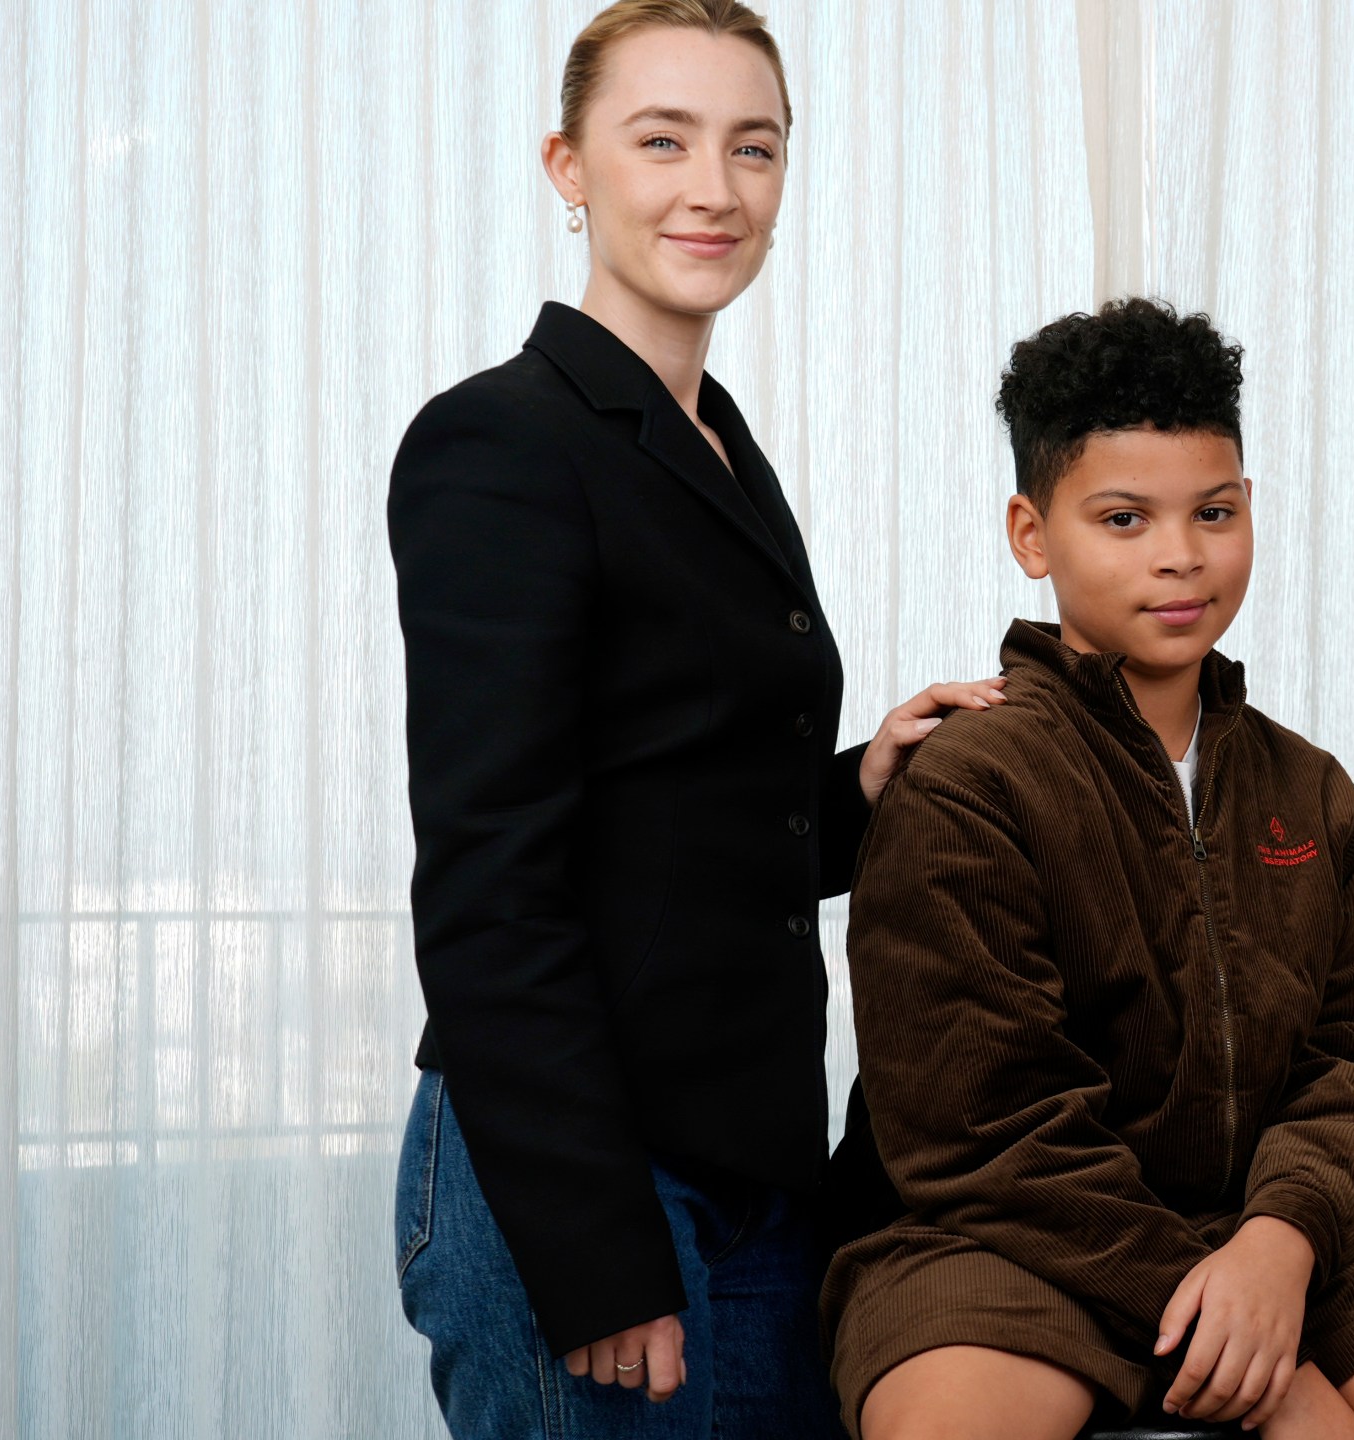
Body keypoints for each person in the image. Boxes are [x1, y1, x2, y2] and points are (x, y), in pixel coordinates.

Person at [822, 300, 1354, 1440]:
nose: (1180, 555)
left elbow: (1351, 1070)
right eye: (1124, 518)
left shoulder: (1308, 789)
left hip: (1264, 1233)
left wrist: (1278, 1249)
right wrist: (1226, 1334)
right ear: (1032, 535)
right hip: (994, 1242)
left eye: (1213, 512)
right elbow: (982, 1134)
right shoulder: (969, 782)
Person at [386, 3, 1002, 1435]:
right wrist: (596, 1258)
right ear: (569, 166)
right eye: (660, 140)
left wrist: (868, 787)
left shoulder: (716, 439)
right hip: (581, 1169)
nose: (713, 187)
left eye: (754, 146)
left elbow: (683, 826)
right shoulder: (503, 440)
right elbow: (492, 885)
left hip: (748, 1163)